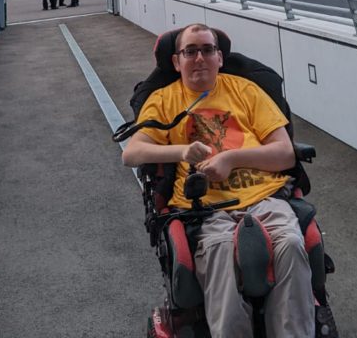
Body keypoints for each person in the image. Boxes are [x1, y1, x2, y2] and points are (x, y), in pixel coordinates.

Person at [122, 24, 315, 338]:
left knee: (292, 245)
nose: (200, 58)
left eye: (207, 50)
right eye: (190, 51)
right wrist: (183, 151)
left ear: (220, 57)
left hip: (266, 197)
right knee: (222, 252)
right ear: (176, 62)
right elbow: (131, 154)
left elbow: (284, 153)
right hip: (205, 211)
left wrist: (231, 159)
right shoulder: (164, 99)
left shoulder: (246, 90)